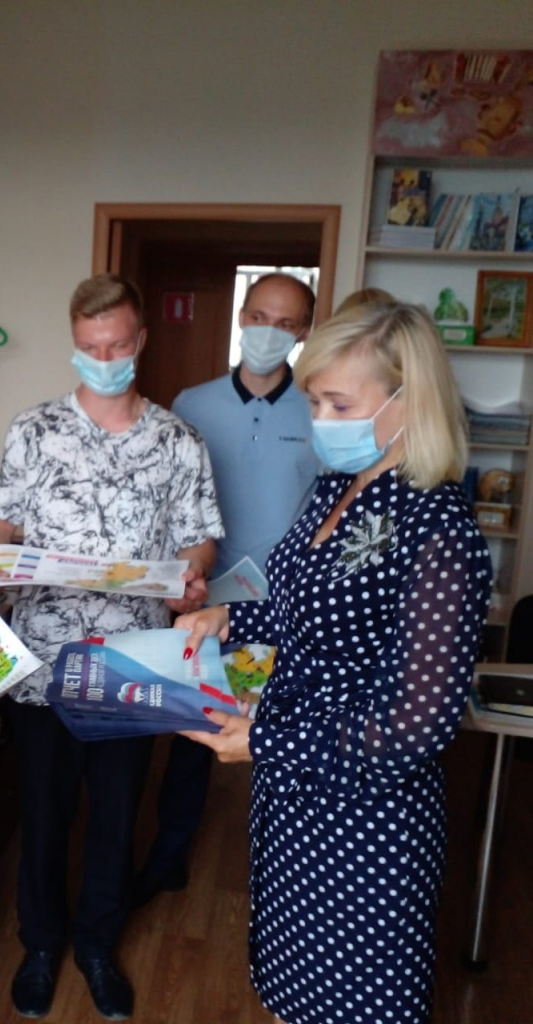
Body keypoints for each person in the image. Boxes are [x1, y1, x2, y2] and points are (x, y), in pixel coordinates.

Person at [175, 302, 492, 1024]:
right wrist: (232, 618)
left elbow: (415, 728)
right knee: (292, 994)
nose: (320, 419)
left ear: (410, 401)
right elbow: (310, 613)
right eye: (315, 400)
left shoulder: (438, 531)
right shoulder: (338, 489)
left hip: (364, 825)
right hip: (293, 801)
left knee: (350, 1002)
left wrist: (265, 740)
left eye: (339, 404)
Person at [0, 273, 222, 1021]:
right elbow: (0, 521)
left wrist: (192, 575)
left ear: (140, 342)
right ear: (74, 345)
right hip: (42, 661)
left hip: (133, 663)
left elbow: (199, 537)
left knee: (114, 815)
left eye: (116, 346)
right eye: (89, 347)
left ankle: (99, 946)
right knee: (41, 815)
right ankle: (41, 945)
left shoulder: (178, 442)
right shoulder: (34, 430)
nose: (103, 359)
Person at [137, 273, 318, 904]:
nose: (270, 331)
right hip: (209, 602)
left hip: (288, 607)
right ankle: (168, 857)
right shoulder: (192, 403)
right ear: (242, 316)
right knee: (195, 736)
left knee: (286, 735)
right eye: (260, 316)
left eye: (286, 323)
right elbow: (170, 505)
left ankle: (284, 874)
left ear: (304, 332)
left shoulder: (318, 410)